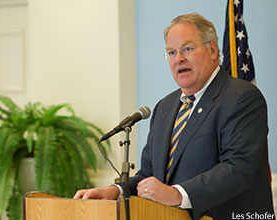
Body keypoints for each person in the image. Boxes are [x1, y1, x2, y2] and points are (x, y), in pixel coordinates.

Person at [74, 12, 275, 220]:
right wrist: (116, 192)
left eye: (187, 49)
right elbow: (149, 176)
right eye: (171, 53)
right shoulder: (165, 107)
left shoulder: (241, 97)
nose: (178, 59)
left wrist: (177, 194)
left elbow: (238, 168)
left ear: (213, 50)